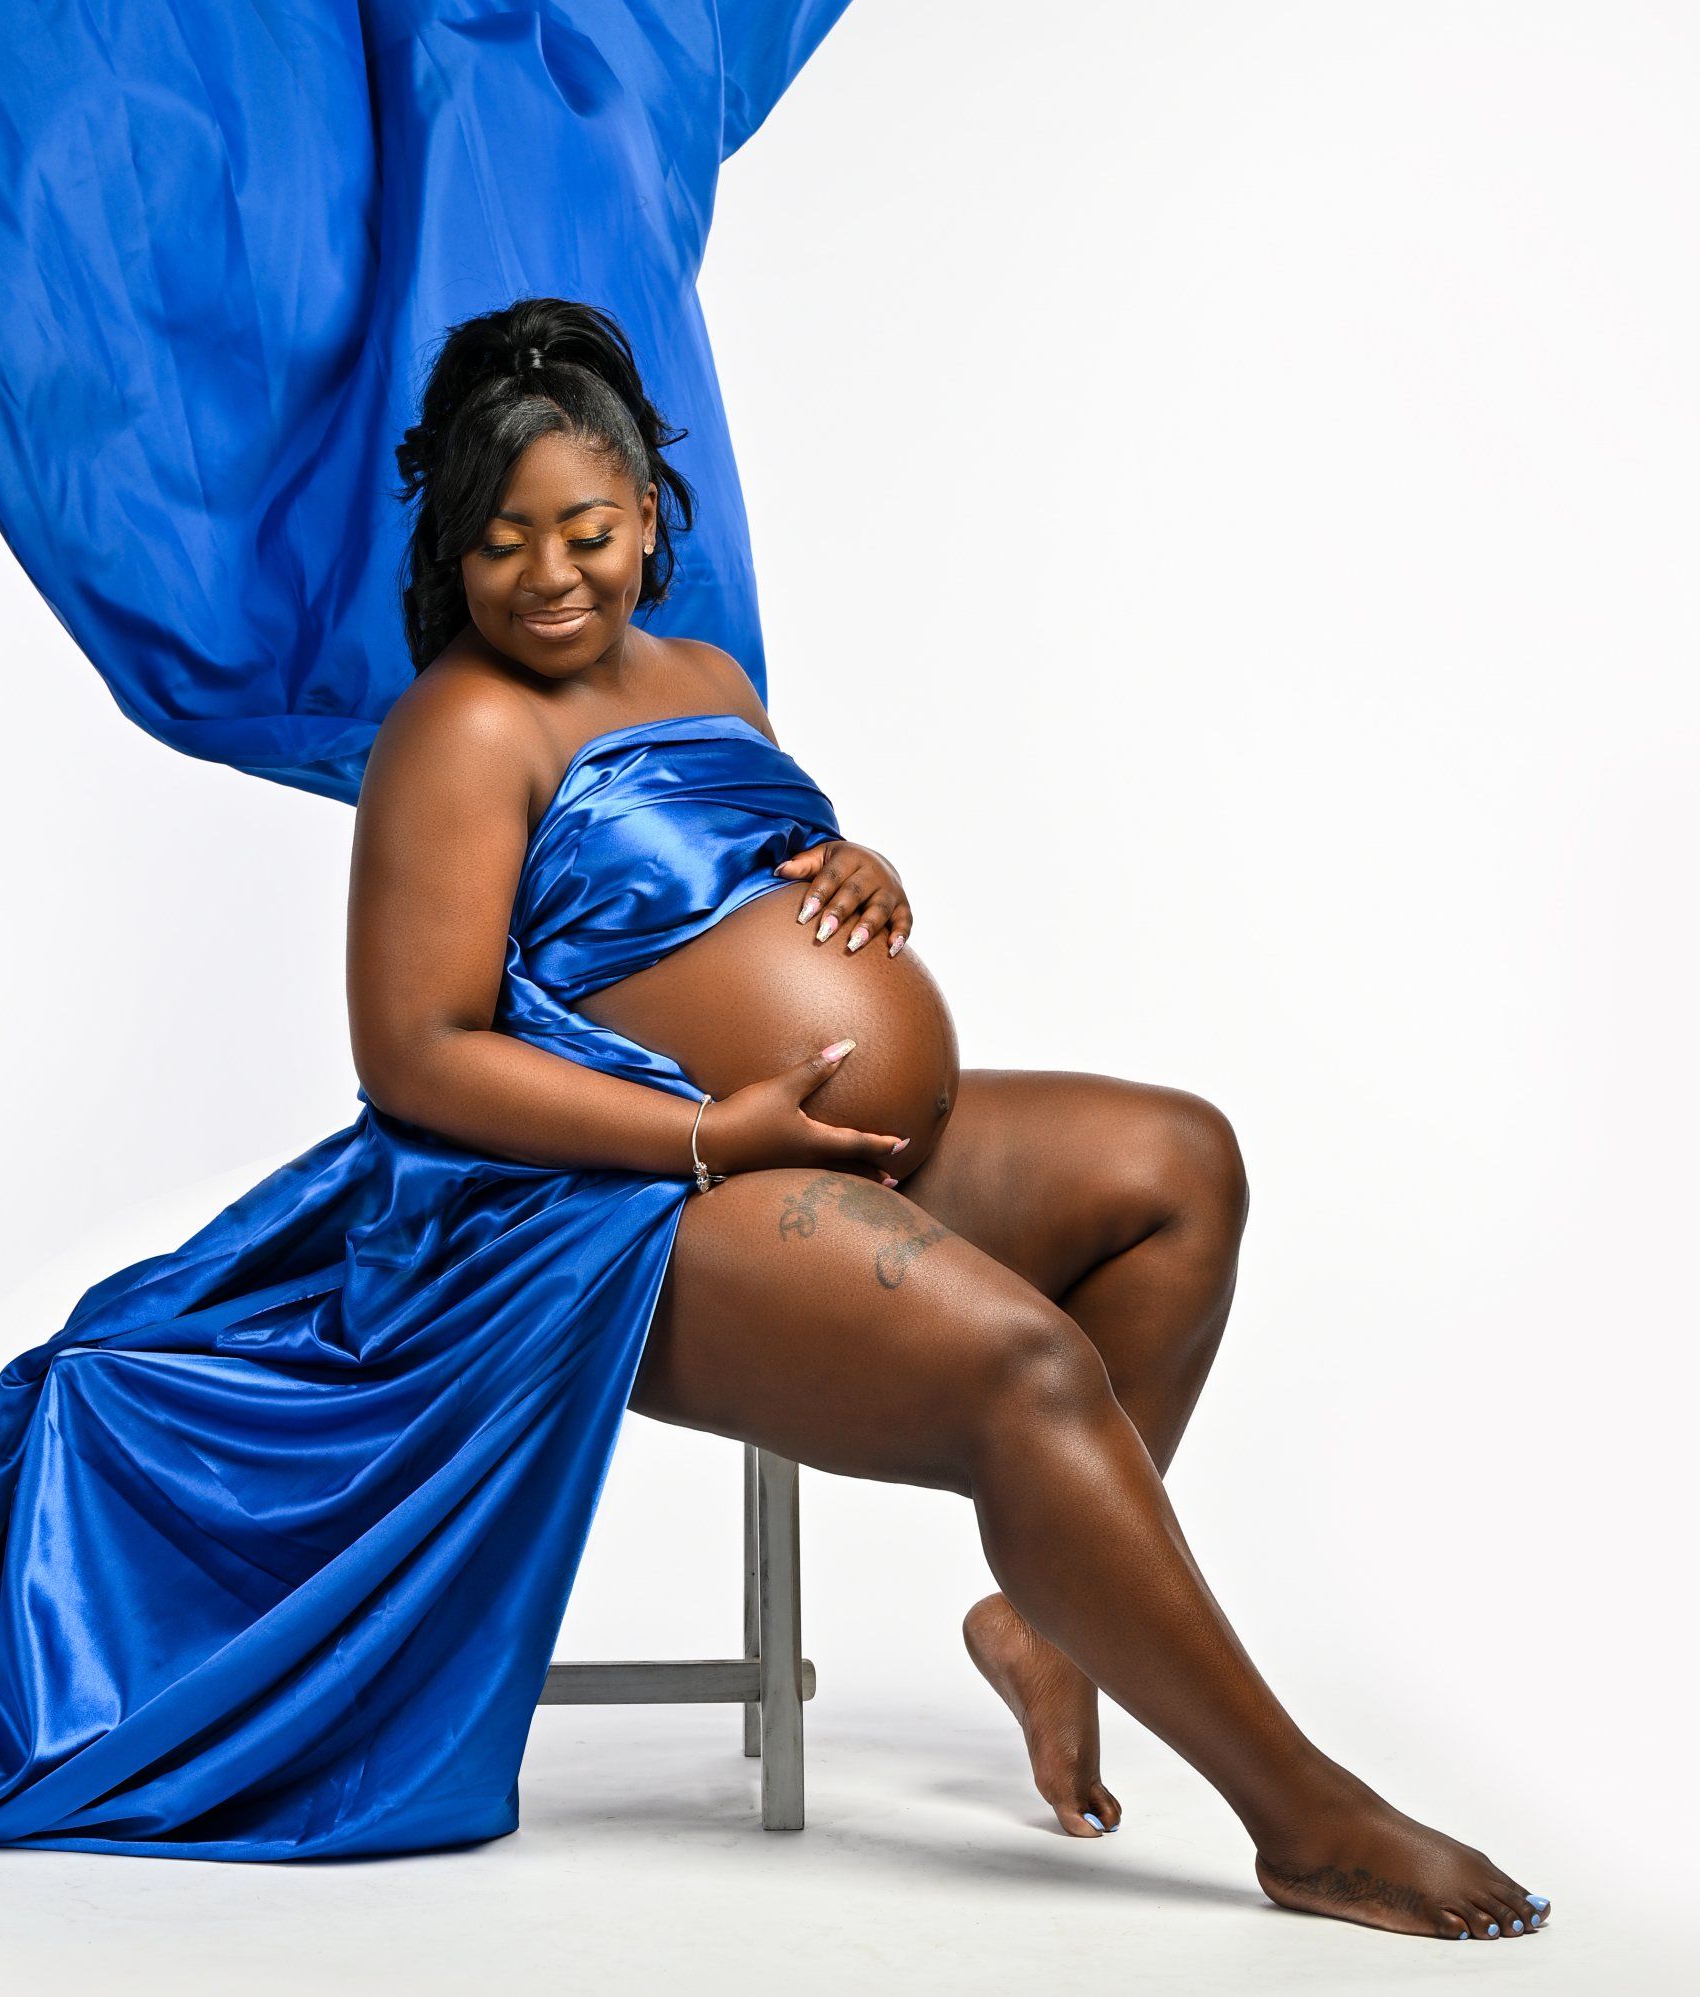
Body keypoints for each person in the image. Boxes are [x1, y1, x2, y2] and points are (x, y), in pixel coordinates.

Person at [347, 295, 1550, 1943]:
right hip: (622, 1204)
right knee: (1025, 1367)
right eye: (502, 543)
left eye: (586, 530)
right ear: (451, 553)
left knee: (1177, 1166)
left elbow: (735, 879)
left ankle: (1051, 1622)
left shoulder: (708, 674)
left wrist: (858, 863)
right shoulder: (460, 727)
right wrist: (713, 1134)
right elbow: (416, 1053)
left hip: (806, 1142)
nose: (550, 574)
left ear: (647, 515)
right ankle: (1306, 1816)